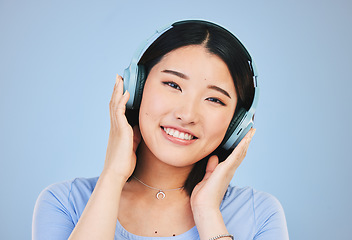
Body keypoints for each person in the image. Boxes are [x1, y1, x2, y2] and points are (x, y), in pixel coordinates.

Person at [32, 20, 289, 240]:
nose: (187, 115)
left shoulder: (259, 214)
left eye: (214, 99)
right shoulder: (63, 202)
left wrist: (208, 212)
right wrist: (112, 175)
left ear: (237, 124)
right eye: (172, 84)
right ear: (137, 87)